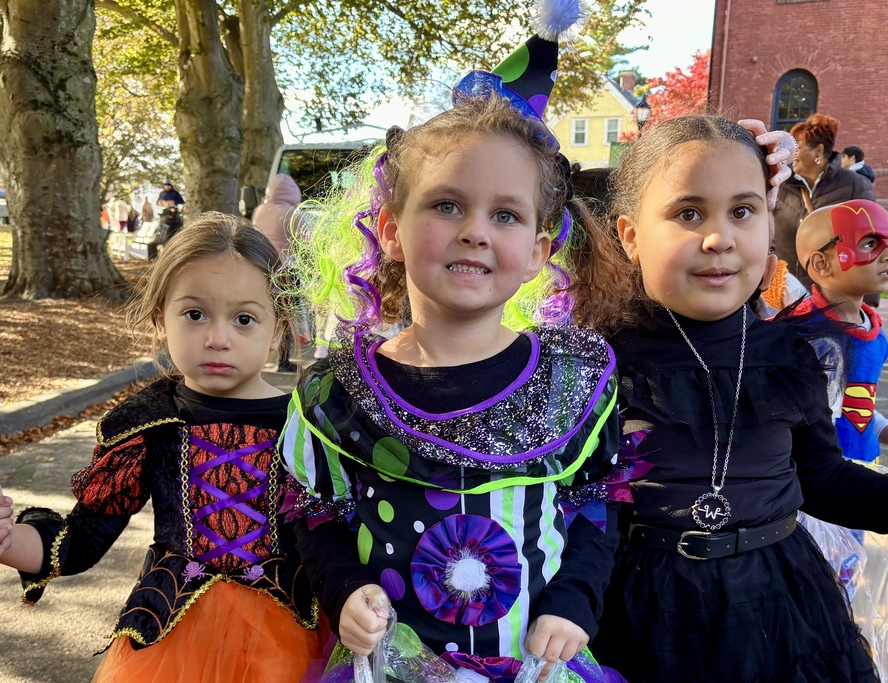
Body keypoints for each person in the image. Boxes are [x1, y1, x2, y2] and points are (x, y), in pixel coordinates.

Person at [585, 115, 888, 683]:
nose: (719, 237)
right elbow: (575, 509)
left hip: (779, 602)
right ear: (631, 236)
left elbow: (825, 480)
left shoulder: (793, 352)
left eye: (742, 211)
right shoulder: (599, 362)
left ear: (768, 223)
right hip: (645, 614)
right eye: (688, 214)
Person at [278, 14, 632, 682]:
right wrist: (344, 588)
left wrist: (575, 600)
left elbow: (596, 499)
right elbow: (314, 508)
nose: (475, 231)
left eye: (505, 214)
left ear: (537, 251)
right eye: (446, 205)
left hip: (533, 666)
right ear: (390, 228)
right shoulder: (335, 395)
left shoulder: (574, 383)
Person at [0, 215, 330, 682]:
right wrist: (9, 542)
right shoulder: (149, 423)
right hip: (170, 637)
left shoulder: (311, 425)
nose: (218, 338)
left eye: (244, 318)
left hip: (292, 644)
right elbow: (80, 542)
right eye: (195, 314)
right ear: (161, 320)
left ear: (277, 328)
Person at [793, 199, 888, 470]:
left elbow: (857, 406)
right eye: (869, 243)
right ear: (822, 264)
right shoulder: (806, 336)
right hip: (817, 481)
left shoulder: (873, 334)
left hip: (862, 469)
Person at [775, 114, 876, 291]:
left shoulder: (855, 185)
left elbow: (870, 241)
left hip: (833, 294)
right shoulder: (782, 183)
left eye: (798, 148)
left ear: (819, 151)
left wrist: (866, 297)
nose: (793, 155)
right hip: (786, 291)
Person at [251, 173, 306, 373]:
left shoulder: (260, 210)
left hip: (261, 269)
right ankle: (283, 361)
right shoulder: (293, 214)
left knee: (262, 313)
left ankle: (258, 357)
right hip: (286, 272)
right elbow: (305, 244)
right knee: (286, 316)